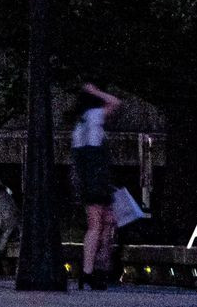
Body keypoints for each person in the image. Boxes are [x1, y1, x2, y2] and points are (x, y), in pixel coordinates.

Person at [69, 84, 123, 290]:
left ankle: (93, 269)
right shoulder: (94, 116)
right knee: (100, 224)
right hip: (97, 177)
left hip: (87, 177)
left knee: (103, 222)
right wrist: (95, 91)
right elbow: (116, 103)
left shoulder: (79, 124)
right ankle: (92, 270)